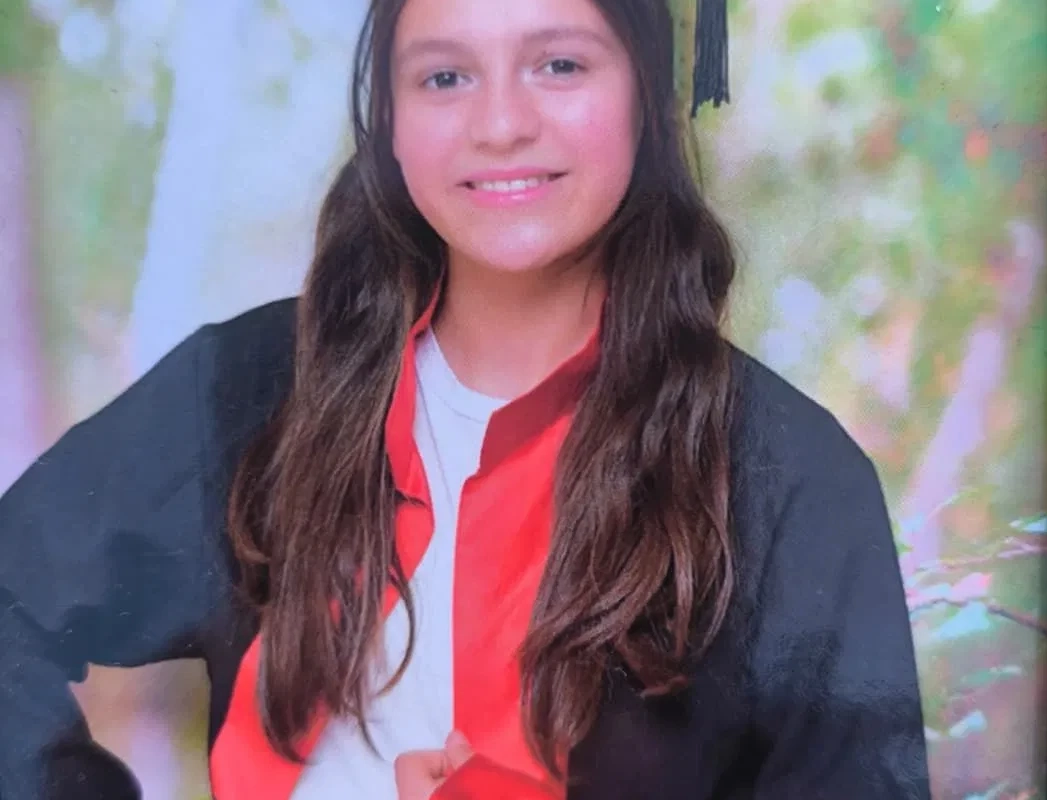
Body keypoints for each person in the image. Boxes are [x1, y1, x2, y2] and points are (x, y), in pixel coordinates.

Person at [0, 0, 932, 797]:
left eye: (559, 64)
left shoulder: (785, 483)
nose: (500, 124)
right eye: (444, 77)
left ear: (645, 93)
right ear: (388, 117)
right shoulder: (250, 392)